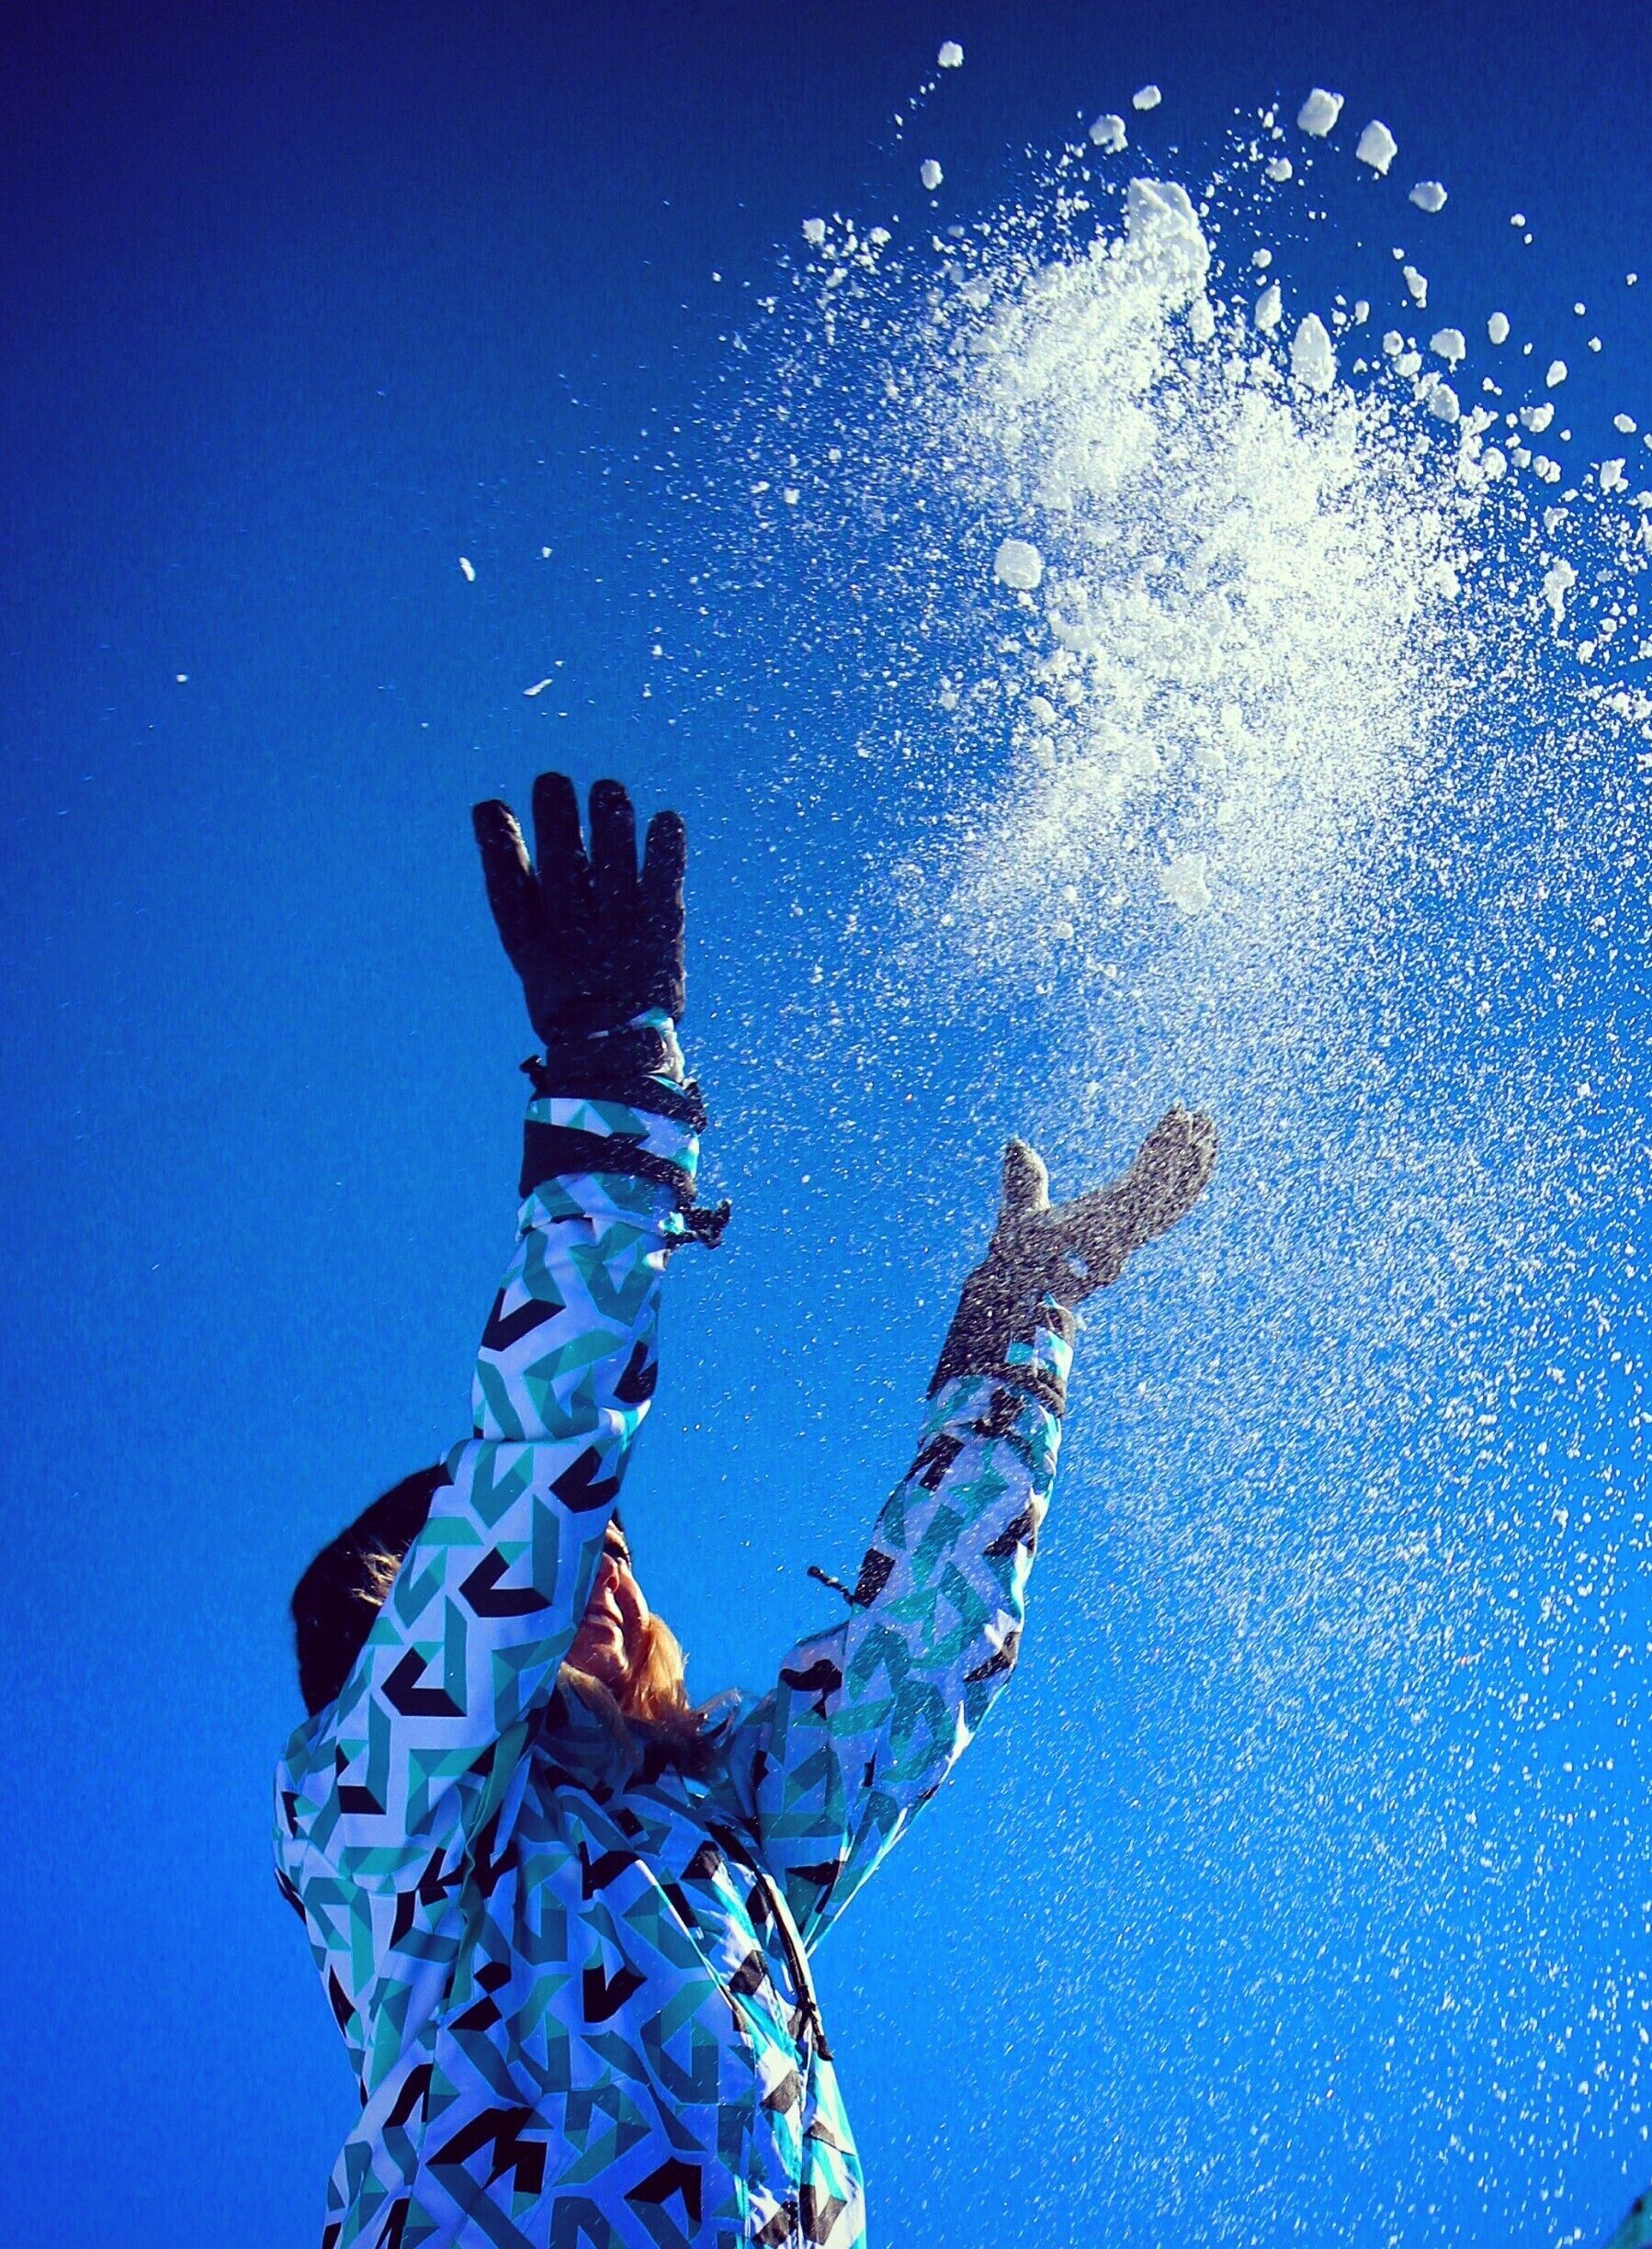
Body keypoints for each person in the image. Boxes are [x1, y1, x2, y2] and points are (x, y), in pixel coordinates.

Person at [276, 774, 1216, 2249]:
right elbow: (529, 1492)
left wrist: (1019, 1315)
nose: (605, 1574)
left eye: (623, 1559)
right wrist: (610, 1089)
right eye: (579, 1551)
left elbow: (921, 1654)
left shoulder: (724, 1832)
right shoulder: (394, 1834)